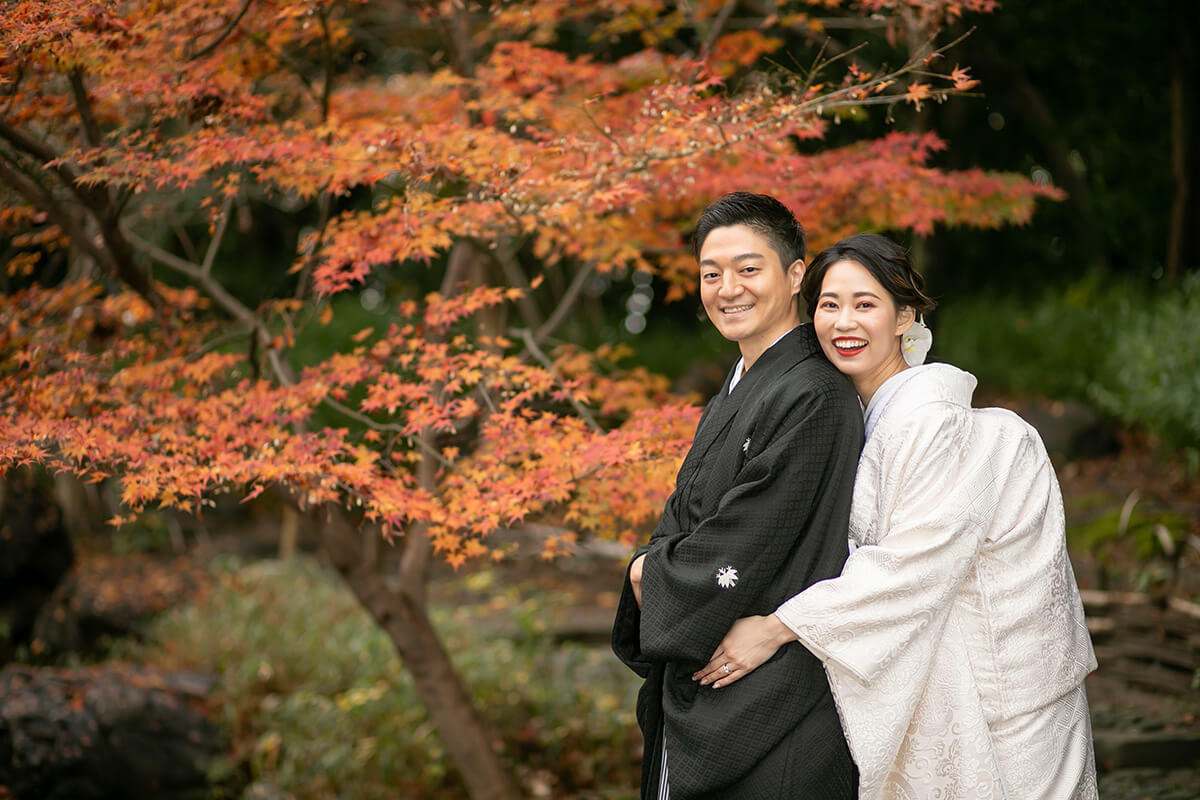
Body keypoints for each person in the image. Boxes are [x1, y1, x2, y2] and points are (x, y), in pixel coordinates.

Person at [695, 233, 1098, 800]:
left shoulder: (933, 422)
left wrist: (776, 627)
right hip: (938, 680)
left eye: (866, 305)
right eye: (829, 305)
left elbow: (912, 565)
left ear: (905, 315)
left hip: (998, 698)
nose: (843, 323)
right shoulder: (861, 418)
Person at [611, 192, 864, 799]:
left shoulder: (815, 394)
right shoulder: (740, 383)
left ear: (796, 274)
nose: (728, 288)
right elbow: (684, 511)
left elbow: (749, 536)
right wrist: (654, 564)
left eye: (749, 269)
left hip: (772, 692)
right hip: (722, 670)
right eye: (711, 273)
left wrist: (654, 574)